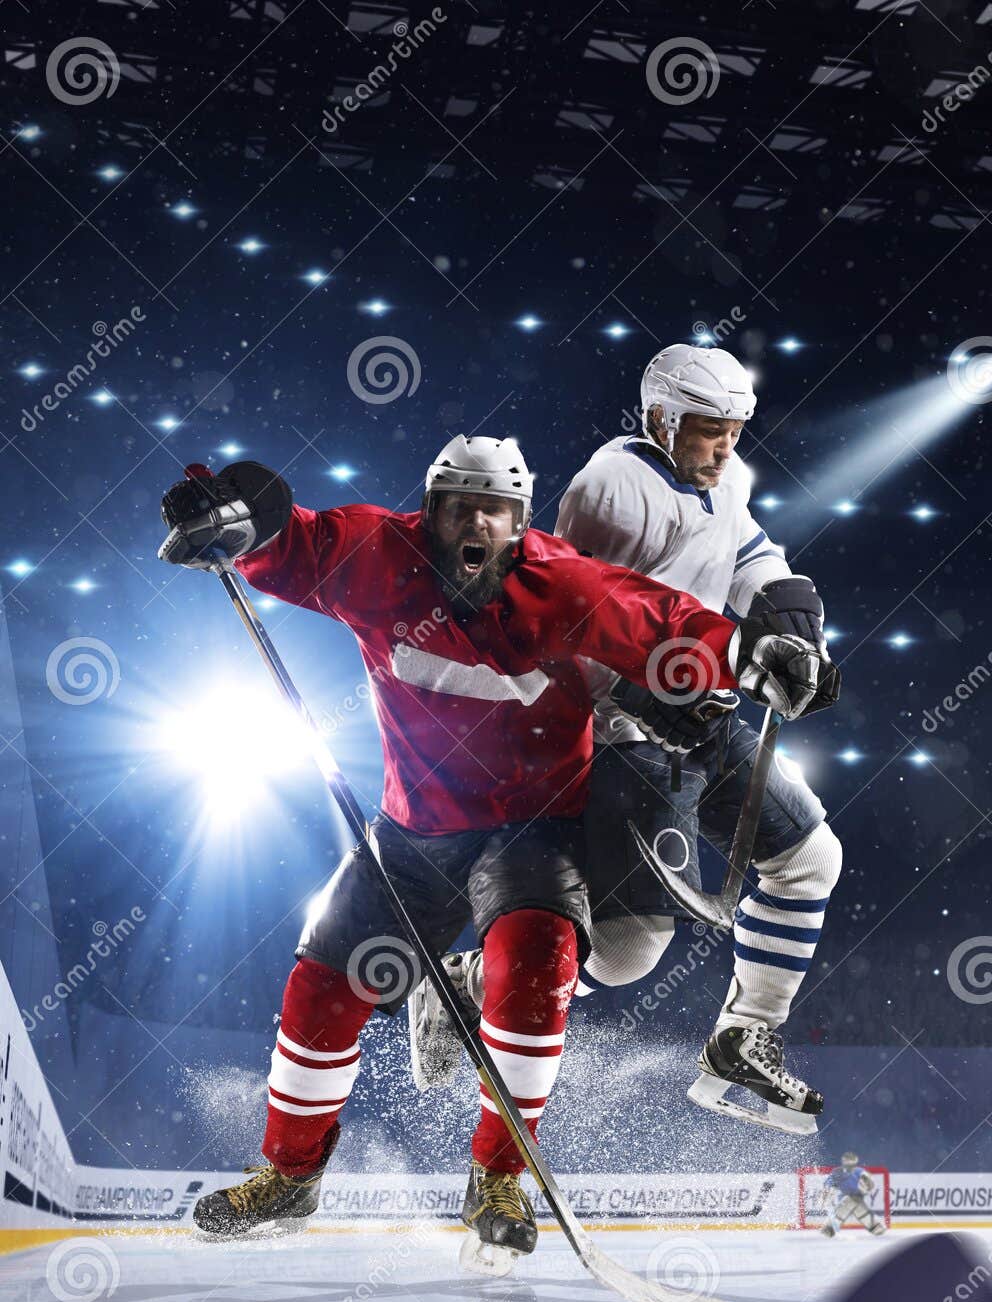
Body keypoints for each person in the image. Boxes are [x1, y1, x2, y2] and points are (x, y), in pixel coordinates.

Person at [158, 435, 831, 1260]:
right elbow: (289, 537)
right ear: (430, 510)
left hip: (531, 833)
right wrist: (230, 517)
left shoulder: (561, 584)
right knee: (322, 989)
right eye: (459, 506)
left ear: (520, 519)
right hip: (413, 834)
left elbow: (660, 620)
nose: (477, 522)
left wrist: (751, 653)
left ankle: (497, 1177)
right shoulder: (376, 553)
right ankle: (289, 1179)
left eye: (497, 509)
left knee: (535, 969)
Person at [410, 347, 841, 1137]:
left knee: (811, 859)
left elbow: (745, 551)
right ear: (659, 418)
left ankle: (743, 1036)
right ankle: (465, 982)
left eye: (734, 431)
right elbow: (561, 605)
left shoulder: (724, 477)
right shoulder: (613, 486)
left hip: (704, 719)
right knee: (627, 955)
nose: (723, 448)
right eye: (708, 430)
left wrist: (791, 610)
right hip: (624, 737)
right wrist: (637, 688)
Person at [820, 1154, 887, 1237]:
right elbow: (828, 1185)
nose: (849, 1166)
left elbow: (870, 1183)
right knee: (849, 1204)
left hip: (856, 1198)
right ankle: (875, 1226)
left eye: (851, 1163)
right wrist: (826, 1195)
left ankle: (829, 1228)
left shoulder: (859, 1171)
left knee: (855, 1206)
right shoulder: (838, 1172)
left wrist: (867, 1185)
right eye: (847, 1162)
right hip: (845, 1199)